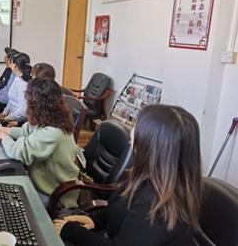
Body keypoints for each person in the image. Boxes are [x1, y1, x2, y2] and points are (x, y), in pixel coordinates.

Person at [54, 104, 202, 246]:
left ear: (150, 144)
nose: (133, 128)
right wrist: (95, 220)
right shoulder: (150, 174)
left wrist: (71, 231)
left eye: (138, 125)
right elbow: (120, 206)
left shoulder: (155, 205)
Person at [0, 78, 79, 208]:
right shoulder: (52, 118)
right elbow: (25, 132)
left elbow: (20, 152)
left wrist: (5, 138)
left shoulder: (53, 132)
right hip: (45, 183)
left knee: (5, 203)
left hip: (54, 194)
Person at [0, 52, 32, 125]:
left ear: (15, 65)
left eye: (11, 62)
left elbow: (23, 110)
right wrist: (4, 113)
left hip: (18, 121)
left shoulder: (23, 84)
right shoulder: (17, 78)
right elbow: (11, 99)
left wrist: (6, 119)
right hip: (11, 116)